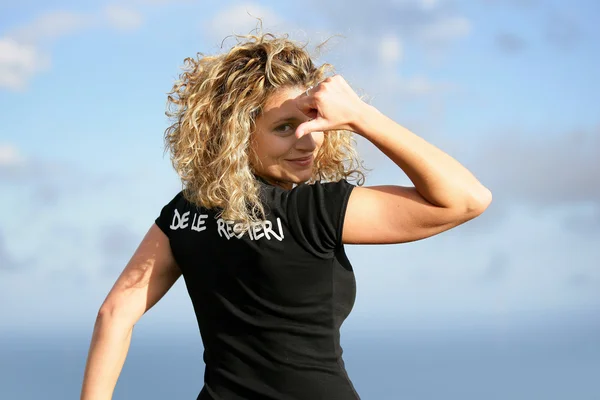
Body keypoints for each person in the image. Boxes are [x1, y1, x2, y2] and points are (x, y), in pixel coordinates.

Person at [80, 32, 492, 400]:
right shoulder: (313, 211)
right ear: (236, 134)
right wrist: (363, 117)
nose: (307, 140)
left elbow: (115, 312)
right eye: (284, 127)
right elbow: (466, 199)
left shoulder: (187, 211)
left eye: (315, 122)